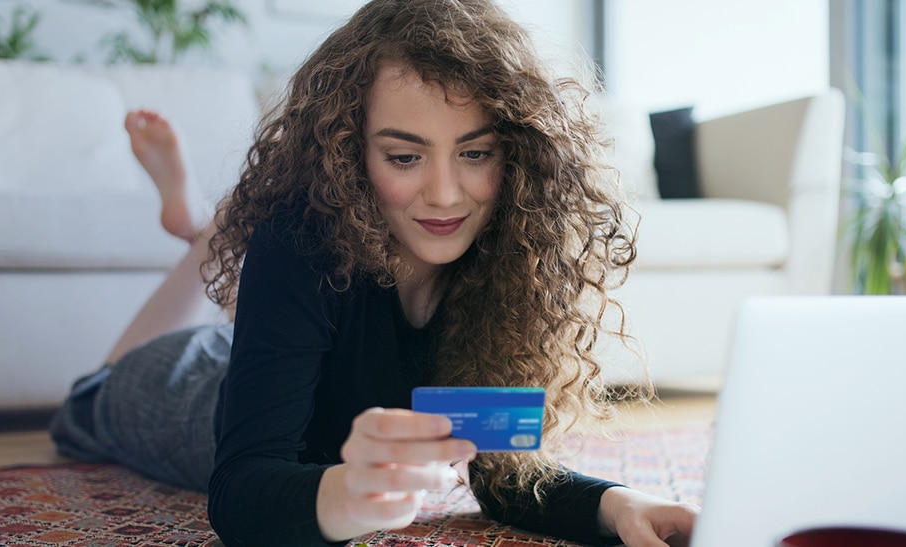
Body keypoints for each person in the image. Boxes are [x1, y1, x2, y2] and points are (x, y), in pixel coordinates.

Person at [51, 1, 699, 546]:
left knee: (245, 327)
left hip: (261, 355)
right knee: (95, 387)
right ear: (350, 154)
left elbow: (504, 474)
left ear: (516, 152)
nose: (445, 194)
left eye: (475, 153)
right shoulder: (300, 237)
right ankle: (205, 227)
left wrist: (618, 504)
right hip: (181, 393)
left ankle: (208, 228)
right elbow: (241, 488)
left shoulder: (507, 250)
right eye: (404, 155)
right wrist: (345, 491)